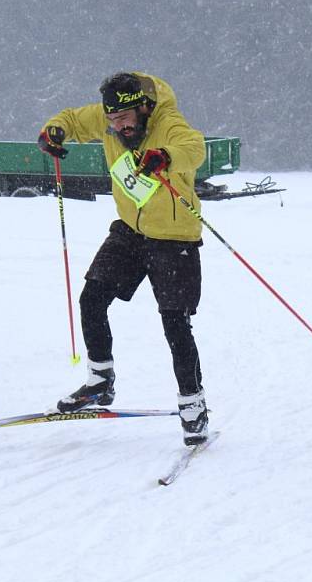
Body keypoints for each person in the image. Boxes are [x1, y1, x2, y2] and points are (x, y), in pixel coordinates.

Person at [37, 71, 208, 445]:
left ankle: (193, 406)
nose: (117, 126)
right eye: (112, 120)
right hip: (131, 231)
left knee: (175, 325)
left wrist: (166, 156)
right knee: (92, 298)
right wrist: (54, 131)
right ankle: (100, 381)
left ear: (145, 108)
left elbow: (195, 147)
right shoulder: (108, 118)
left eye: (125, 120)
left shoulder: (168, 122)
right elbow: (70, 118)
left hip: (174, 237)